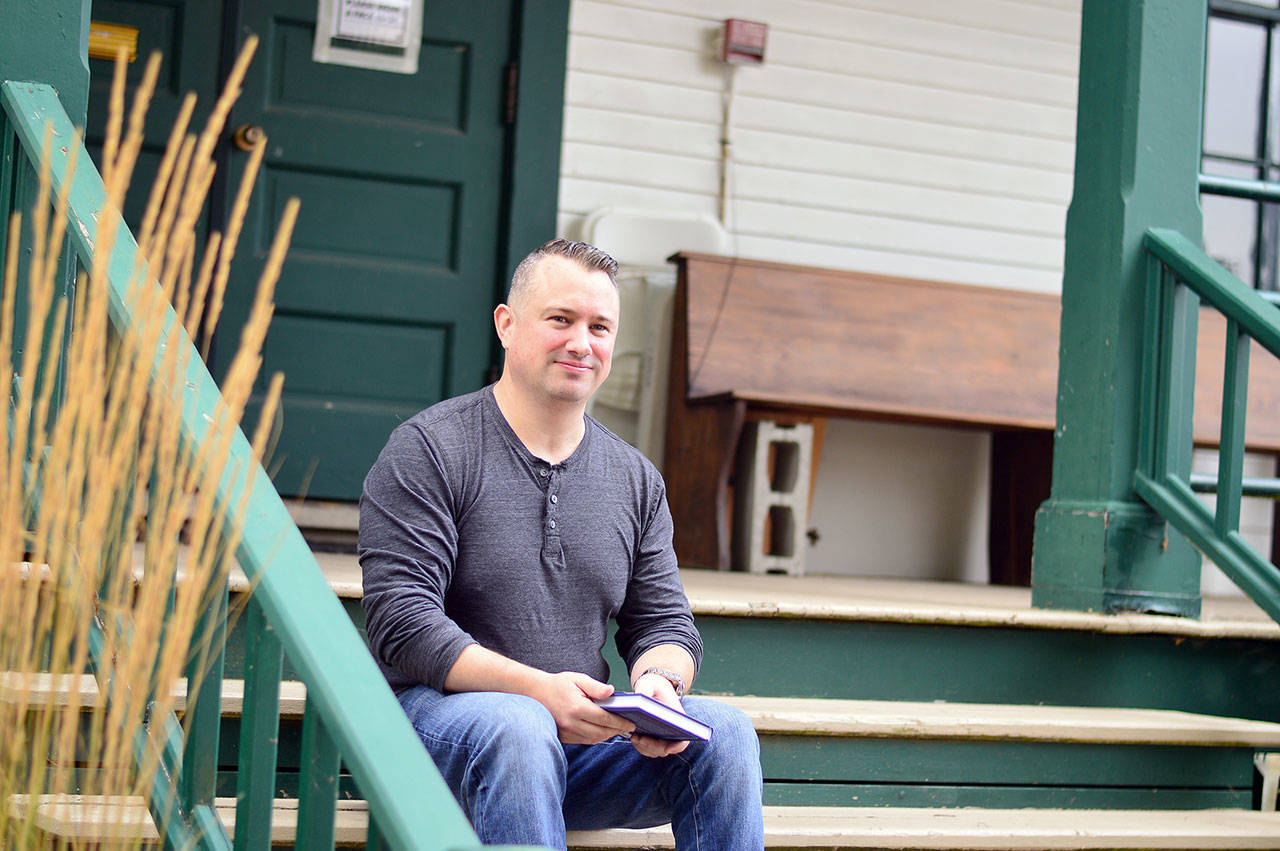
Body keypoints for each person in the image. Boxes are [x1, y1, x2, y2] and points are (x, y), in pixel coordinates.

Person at [358, 239, 765, 850]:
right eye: (560, 319)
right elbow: (402, 624)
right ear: (506, 323)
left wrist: (659, 685)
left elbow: (664, 623)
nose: (582, 342)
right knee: (518, 725)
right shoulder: (431, 449)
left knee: (725, 733)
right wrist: (537, 692)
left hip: (579, 745)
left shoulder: (634, 478)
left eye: (600, 326)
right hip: (439, 732)